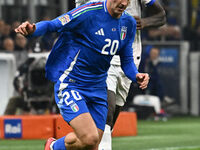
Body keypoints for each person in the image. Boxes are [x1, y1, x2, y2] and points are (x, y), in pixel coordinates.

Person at [15, 0, 149, 150]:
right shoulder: (89, 12)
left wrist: (136, 75)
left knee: (91, 144)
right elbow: (53, 25)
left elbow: (127, 60)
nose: (124, 3)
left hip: (98, 89)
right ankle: (54, 146)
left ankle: (53, 146)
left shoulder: (128, 23)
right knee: (90, 137)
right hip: (72, 84)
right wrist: (32, 30)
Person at [76, 0, 166, 149]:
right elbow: (78, 19)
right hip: (103, 54)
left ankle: (58, 146)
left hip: (129, 56)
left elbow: (161, 16)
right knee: (107, 109)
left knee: (109, 121)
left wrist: (144, 22)